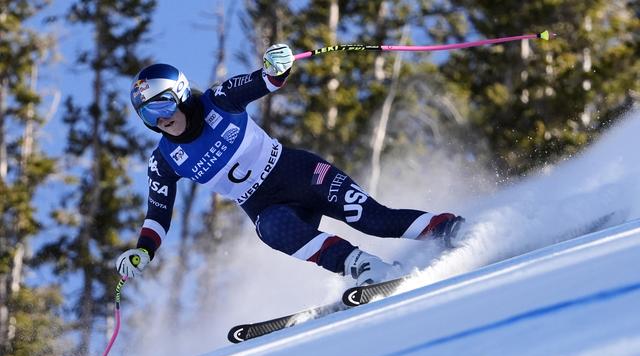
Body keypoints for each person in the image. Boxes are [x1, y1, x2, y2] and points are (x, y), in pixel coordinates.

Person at [116, 44, 465, 286]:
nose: (159, 120)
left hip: (297, 173)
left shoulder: (218, 101)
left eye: (162, 107)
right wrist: (142, 252)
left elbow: (266, 80)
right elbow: (157, 215)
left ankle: (451, 229)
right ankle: (363, 266)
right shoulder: (164, 161)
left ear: (179, 94)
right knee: (272, 230)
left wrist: (277, 66)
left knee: (373, 219)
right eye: (147, 115)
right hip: (264, 205)